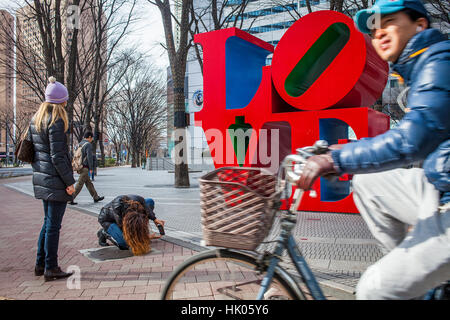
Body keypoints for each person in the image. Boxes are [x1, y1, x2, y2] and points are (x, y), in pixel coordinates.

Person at [296, 0, 449, 299]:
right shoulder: (419, 69)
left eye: (389, 21)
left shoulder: (439, 62)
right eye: (375, 28)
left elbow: (412, 140)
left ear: (420, 25)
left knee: (372, 288)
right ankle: (417, 284)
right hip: (438, 185)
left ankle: (403, 285)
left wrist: (333, 159)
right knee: (367, 181)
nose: (379, 32)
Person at [30, 76, 76, 281]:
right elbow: (58, 156)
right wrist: (69, 182)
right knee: (53, 226)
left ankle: (40, 264)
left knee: (47, 223)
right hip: (55, 180)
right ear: (61, 101)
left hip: (42, 178)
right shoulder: (56, 121)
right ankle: (51, 267)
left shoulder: (36, 120)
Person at [96, 194, 166, 255]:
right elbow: (128, 232)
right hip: (108, 220)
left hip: (126, 217)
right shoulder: (118, 212)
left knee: (149, 201)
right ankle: (104, 232)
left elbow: (146, 206)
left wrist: (155, 219)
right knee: (124, 244)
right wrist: (143, 237)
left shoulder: (137, 199)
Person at [69, 131, 104, 205]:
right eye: (92, 138)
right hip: (85, 167)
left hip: (80, 166)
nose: (92, 140)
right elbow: (89, 157)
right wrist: (91, 168)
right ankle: (70, 199)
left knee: (88, 183)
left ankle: (96, 197)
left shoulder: (80, 144)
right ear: (90, 137)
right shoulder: (88, 145)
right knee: (80, 183)